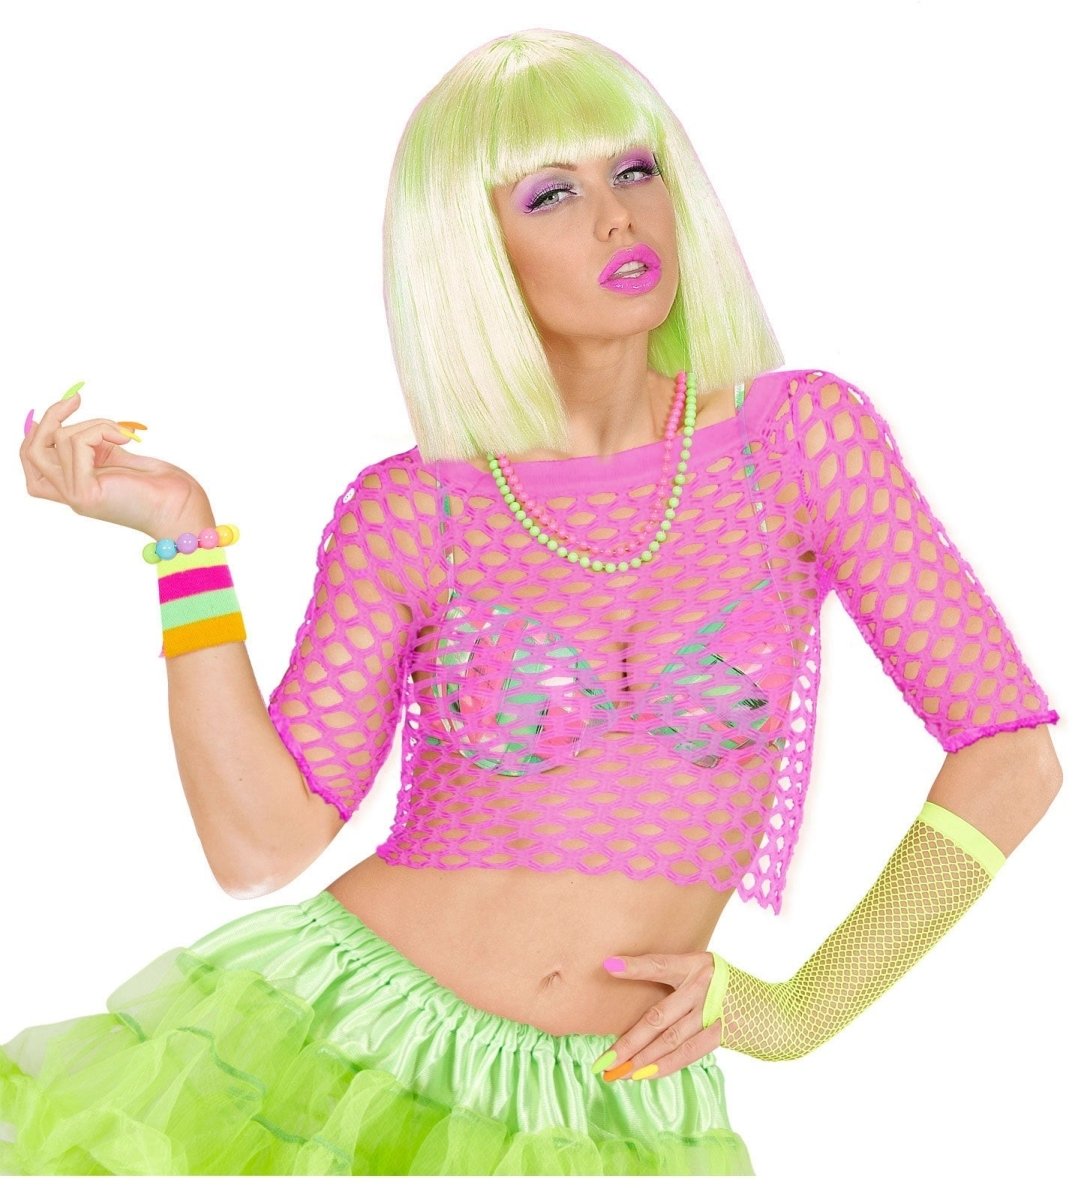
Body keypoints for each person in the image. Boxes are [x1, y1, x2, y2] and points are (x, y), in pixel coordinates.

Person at [2, 26, 1063, 1177]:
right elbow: (260, 845)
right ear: (472, 250)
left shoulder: (800, 442)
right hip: (354, 1047)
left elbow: (1011, 755)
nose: (618, 218)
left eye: (635, 171)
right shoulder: (414, 510)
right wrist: (184, 544)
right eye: (554, 193)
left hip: (613, 1104)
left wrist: (802, 1009)